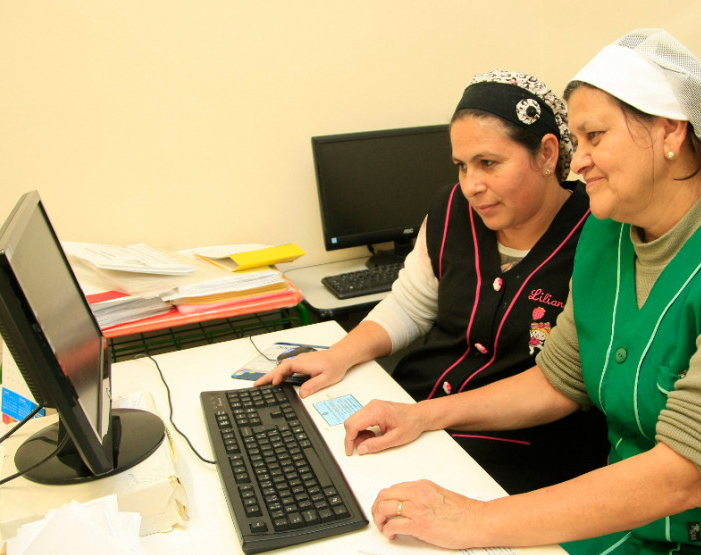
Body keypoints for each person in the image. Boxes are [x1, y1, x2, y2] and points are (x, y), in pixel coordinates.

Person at [340, 29, 701, 553]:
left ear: (670, 132)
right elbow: (557, 381)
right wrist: (420, 414)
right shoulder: (608, 232)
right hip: (638, 521)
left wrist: (475, 519)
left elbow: (688, 471)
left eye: (594, 137)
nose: (576, 162)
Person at [257, 69, 608, 494]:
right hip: (418, 407)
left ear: (547, 154)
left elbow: (565, 384)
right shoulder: (452, 207)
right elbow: (409, 306)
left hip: (520, 448)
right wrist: (338, 356)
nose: (471, 186)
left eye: (489, 164)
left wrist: (425, 417)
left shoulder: (599, 234)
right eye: (462, 166)